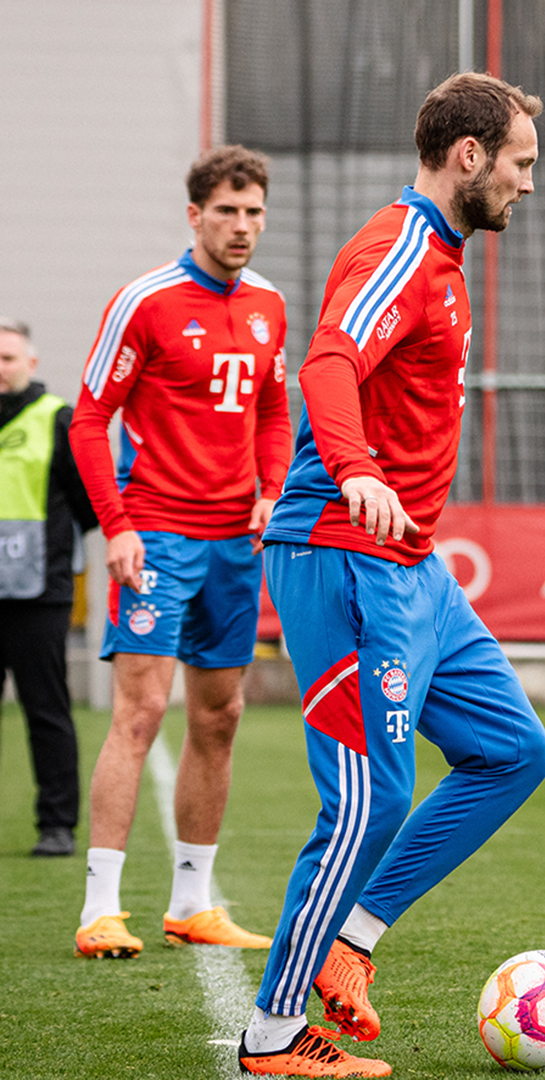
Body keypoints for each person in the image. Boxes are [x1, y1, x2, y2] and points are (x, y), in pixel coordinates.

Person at [236, 73, 545, 1078]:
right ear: (470, 157)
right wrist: (360, 473)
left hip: (413, 568)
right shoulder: (402, 247)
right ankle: (275, 1035)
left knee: (511, 751)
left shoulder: (446, 260)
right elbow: (326, 365)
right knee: (368, 799)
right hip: (342, 555)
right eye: (520, 164)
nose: (528, 184)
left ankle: (350, 940)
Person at [68, 146, 290, 959]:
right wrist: (117, 526)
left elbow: (273, 408)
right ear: (194, 215)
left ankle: (193, 903)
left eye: (255, 212)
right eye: (228, 211)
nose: (243, 227)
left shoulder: (270, 305)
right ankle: (101, 908)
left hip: (235, 539)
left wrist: (271, 485)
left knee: (221, 715)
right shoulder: (147, 302)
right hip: (156, 534)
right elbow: (88, 419)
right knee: (137, 715)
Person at [0, 318, 96, 858]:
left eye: (8, 358)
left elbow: (86, 504)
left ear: (30, 364)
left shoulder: (56, 419)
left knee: (46, 710)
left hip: (39, 595)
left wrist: (52, 553)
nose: (0, 368)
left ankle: (57, 825)